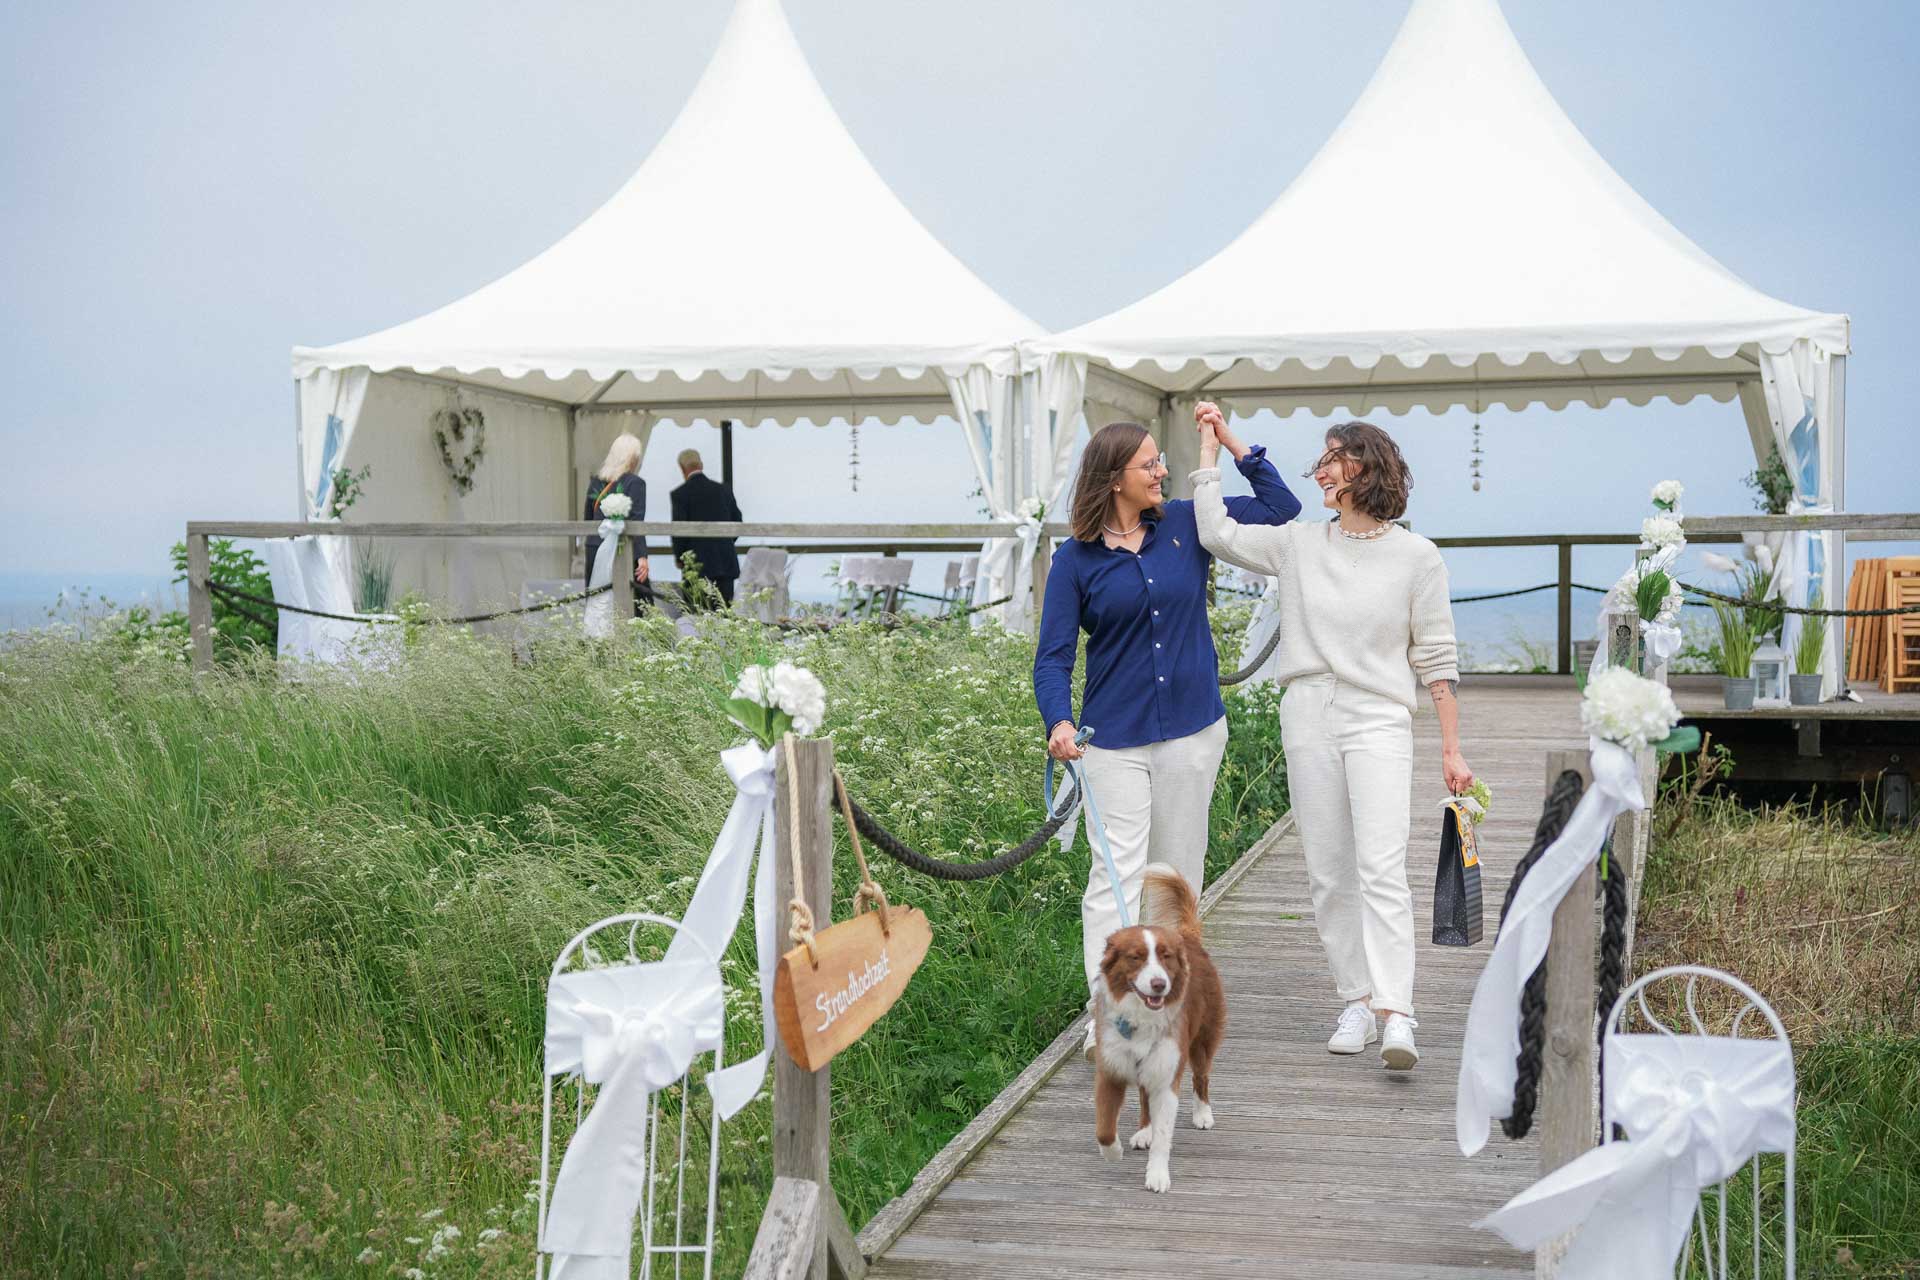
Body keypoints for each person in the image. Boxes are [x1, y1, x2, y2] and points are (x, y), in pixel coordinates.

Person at [1191, 415, 1471, 1072]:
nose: (1318, 470)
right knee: (1328, 870)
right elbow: (1215, 532)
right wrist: (1211, 449)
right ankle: (1357, 1000)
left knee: (1381, 866)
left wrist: (1451, 748)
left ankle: (1397, 1011)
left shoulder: (1417, 556)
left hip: (1379, 716)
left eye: (1331, 459)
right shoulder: (1297, 544)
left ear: (1365, 467)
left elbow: (1436, 657)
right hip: (1308, 711)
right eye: (1320, 460)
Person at [1033, 410, 1302, 1057]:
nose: (1162, 471)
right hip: (1112, 739)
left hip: (1191, 731)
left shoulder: (1187, 522)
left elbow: (1281, 508)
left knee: (1177, 878)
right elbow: (1053, 657)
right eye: (1149, 463)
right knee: (1114, 879)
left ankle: (1163, 1011)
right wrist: (1059, 721)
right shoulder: (1074, 561)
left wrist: (1228, 445)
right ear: (1113, 479)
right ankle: (1109, 1016)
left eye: (1160, 461)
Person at [584, 433, 653, 614]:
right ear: (632, 458)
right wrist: (642, 556)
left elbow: (588, 520)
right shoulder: (636, 483)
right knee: (637, 606)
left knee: (598, 604)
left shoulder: (595, 483)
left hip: (595, 547)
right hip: (623, 549)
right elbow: (636, 521)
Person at [669, 449, 744, 608]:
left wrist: (680, 558)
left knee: (696, 615)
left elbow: (679, 531)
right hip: (725, 563)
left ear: (682, 468)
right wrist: (725, 542)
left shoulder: (680, 494)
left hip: (696, 566)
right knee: (724, 613)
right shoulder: (724, 490)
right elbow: (737, 521)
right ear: (701, 465)